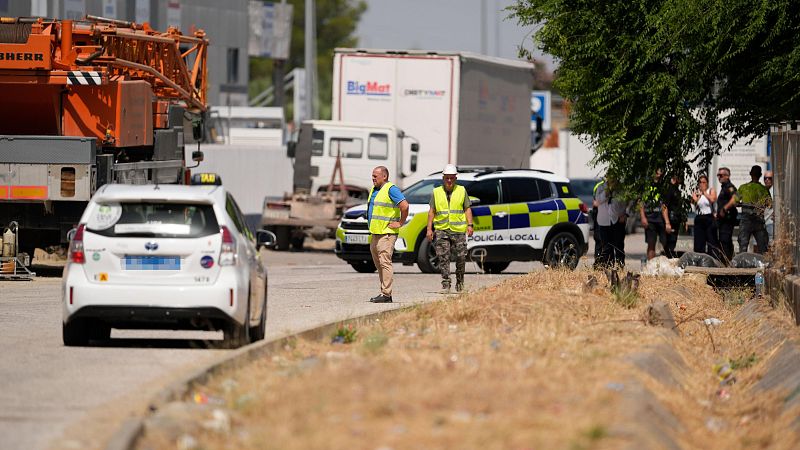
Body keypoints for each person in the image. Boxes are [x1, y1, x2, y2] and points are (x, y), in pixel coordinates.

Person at [426, 164, 473, 293]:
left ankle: (460, 283)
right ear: (443, 178)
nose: (449, 181)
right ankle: (446, 284)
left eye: (452, 178)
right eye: (447, 178)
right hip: (442, 229)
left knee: (461, 257)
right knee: (443, 257)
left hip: (458, 230)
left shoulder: (462, 191)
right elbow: (431, 211)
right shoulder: (436, 192)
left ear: (455, 178)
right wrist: (429, 229)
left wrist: (470, 225)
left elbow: (467, 209)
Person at [367, 166, 409, 303]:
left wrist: (400, 223)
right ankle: (384, 293)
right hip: (376, 232)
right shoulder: (375, 189)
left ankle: (386, 294)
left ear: (384, 176)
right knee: (379, 264)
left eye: (375, 176)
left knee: (385, 263)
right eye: (372, 175)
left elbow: (405, 206)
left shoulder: (391, 189)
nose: (373, 178)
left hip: (386, 234)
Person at [594, 177, 628, 268]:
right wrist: (607, 191)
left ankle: (620, 266)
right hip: (604, 221)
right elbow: (598, 201)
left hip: (618, 220)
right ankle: (608, 266)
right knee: (606, 247)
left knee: (618, 246)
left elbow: (630, 201)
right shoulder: (601, 187)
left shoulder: (621, 188)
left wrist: (626, 214)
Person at [736, 165, 770, 254]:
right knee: (763, 248)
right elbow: (769, 204)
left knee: (743, 247)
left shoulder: (743, 188)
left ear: (750, 174)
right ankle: (764, 264)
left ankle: (741, 264)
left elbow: (735, 201)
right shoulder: (763, 189)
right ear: (760, 175)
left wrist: (740, 204)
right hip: (759, 221)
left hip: (745, 221)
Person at [639, 169, 669, 260]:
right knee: (651, 243)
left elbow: (664, 205)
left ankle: (664, 265)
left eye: (660, 173)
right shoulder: (646, 186)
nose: (659, 175)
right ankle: (651, 265)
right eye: (657, 172)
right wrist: (643, 217)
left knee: (665, 243)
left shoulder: (663, 187)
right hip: (650, 219)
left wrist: (667, 222)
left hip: (660, 219)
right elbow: (640, 203)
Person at [714, 167, 738, 264]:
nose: (719, 177)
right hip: (723, 220)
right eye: (718, 175)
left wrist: (725, 208)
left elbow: (736, 198)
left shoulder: (729, 186)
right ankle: (727, 261)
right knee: (723, 240)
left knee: (725, 240)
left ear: (727, 176)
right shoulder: (724, 187)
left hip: (728, 219)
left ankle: (727, 262)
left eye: (721, 175)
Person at [690, 174, 718, 255]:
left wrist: (704, 192)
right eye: (700, 182)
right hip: (699, 217)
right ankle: (699, 256)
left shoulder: (710, 191)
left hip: (709, 217)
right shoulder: (697, 192)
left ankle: (712, 257)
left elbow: (713, 199)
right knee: (699, 241)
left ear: (707, 183)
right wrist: (696, 197)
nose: (701, 184)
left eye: (703, 182)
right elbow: (693, 202)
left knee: (711, 240)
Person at [662, 174, 685, 258]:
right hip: (671, 220)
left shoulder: (676, 189)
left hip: (675, 220)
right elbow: (664, 206)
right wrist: (667, 223)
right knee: (670, 245)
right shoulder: (670, 189)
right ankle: (669, 261)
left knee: (673, 242)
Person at [764, 170, 774, 246]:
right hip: (762, 223)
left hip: (770, 223)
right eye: (765, 178)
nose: (767, 180)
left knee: (770, 244)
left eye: (769, 178)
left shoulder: (774, 192)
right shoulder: (763, 190)